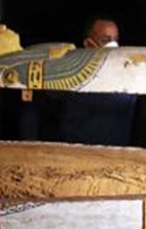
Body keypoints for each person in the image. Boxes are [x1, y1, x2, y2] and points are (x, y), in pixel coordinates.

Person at [53, 15, 138, 146]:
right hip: (75, 156)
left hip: (115, 157)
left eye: (116, 40)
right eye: (105, 40)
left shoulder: (129, 77)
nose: (113, 45)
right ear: (88, 44)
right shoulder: (70, 75)